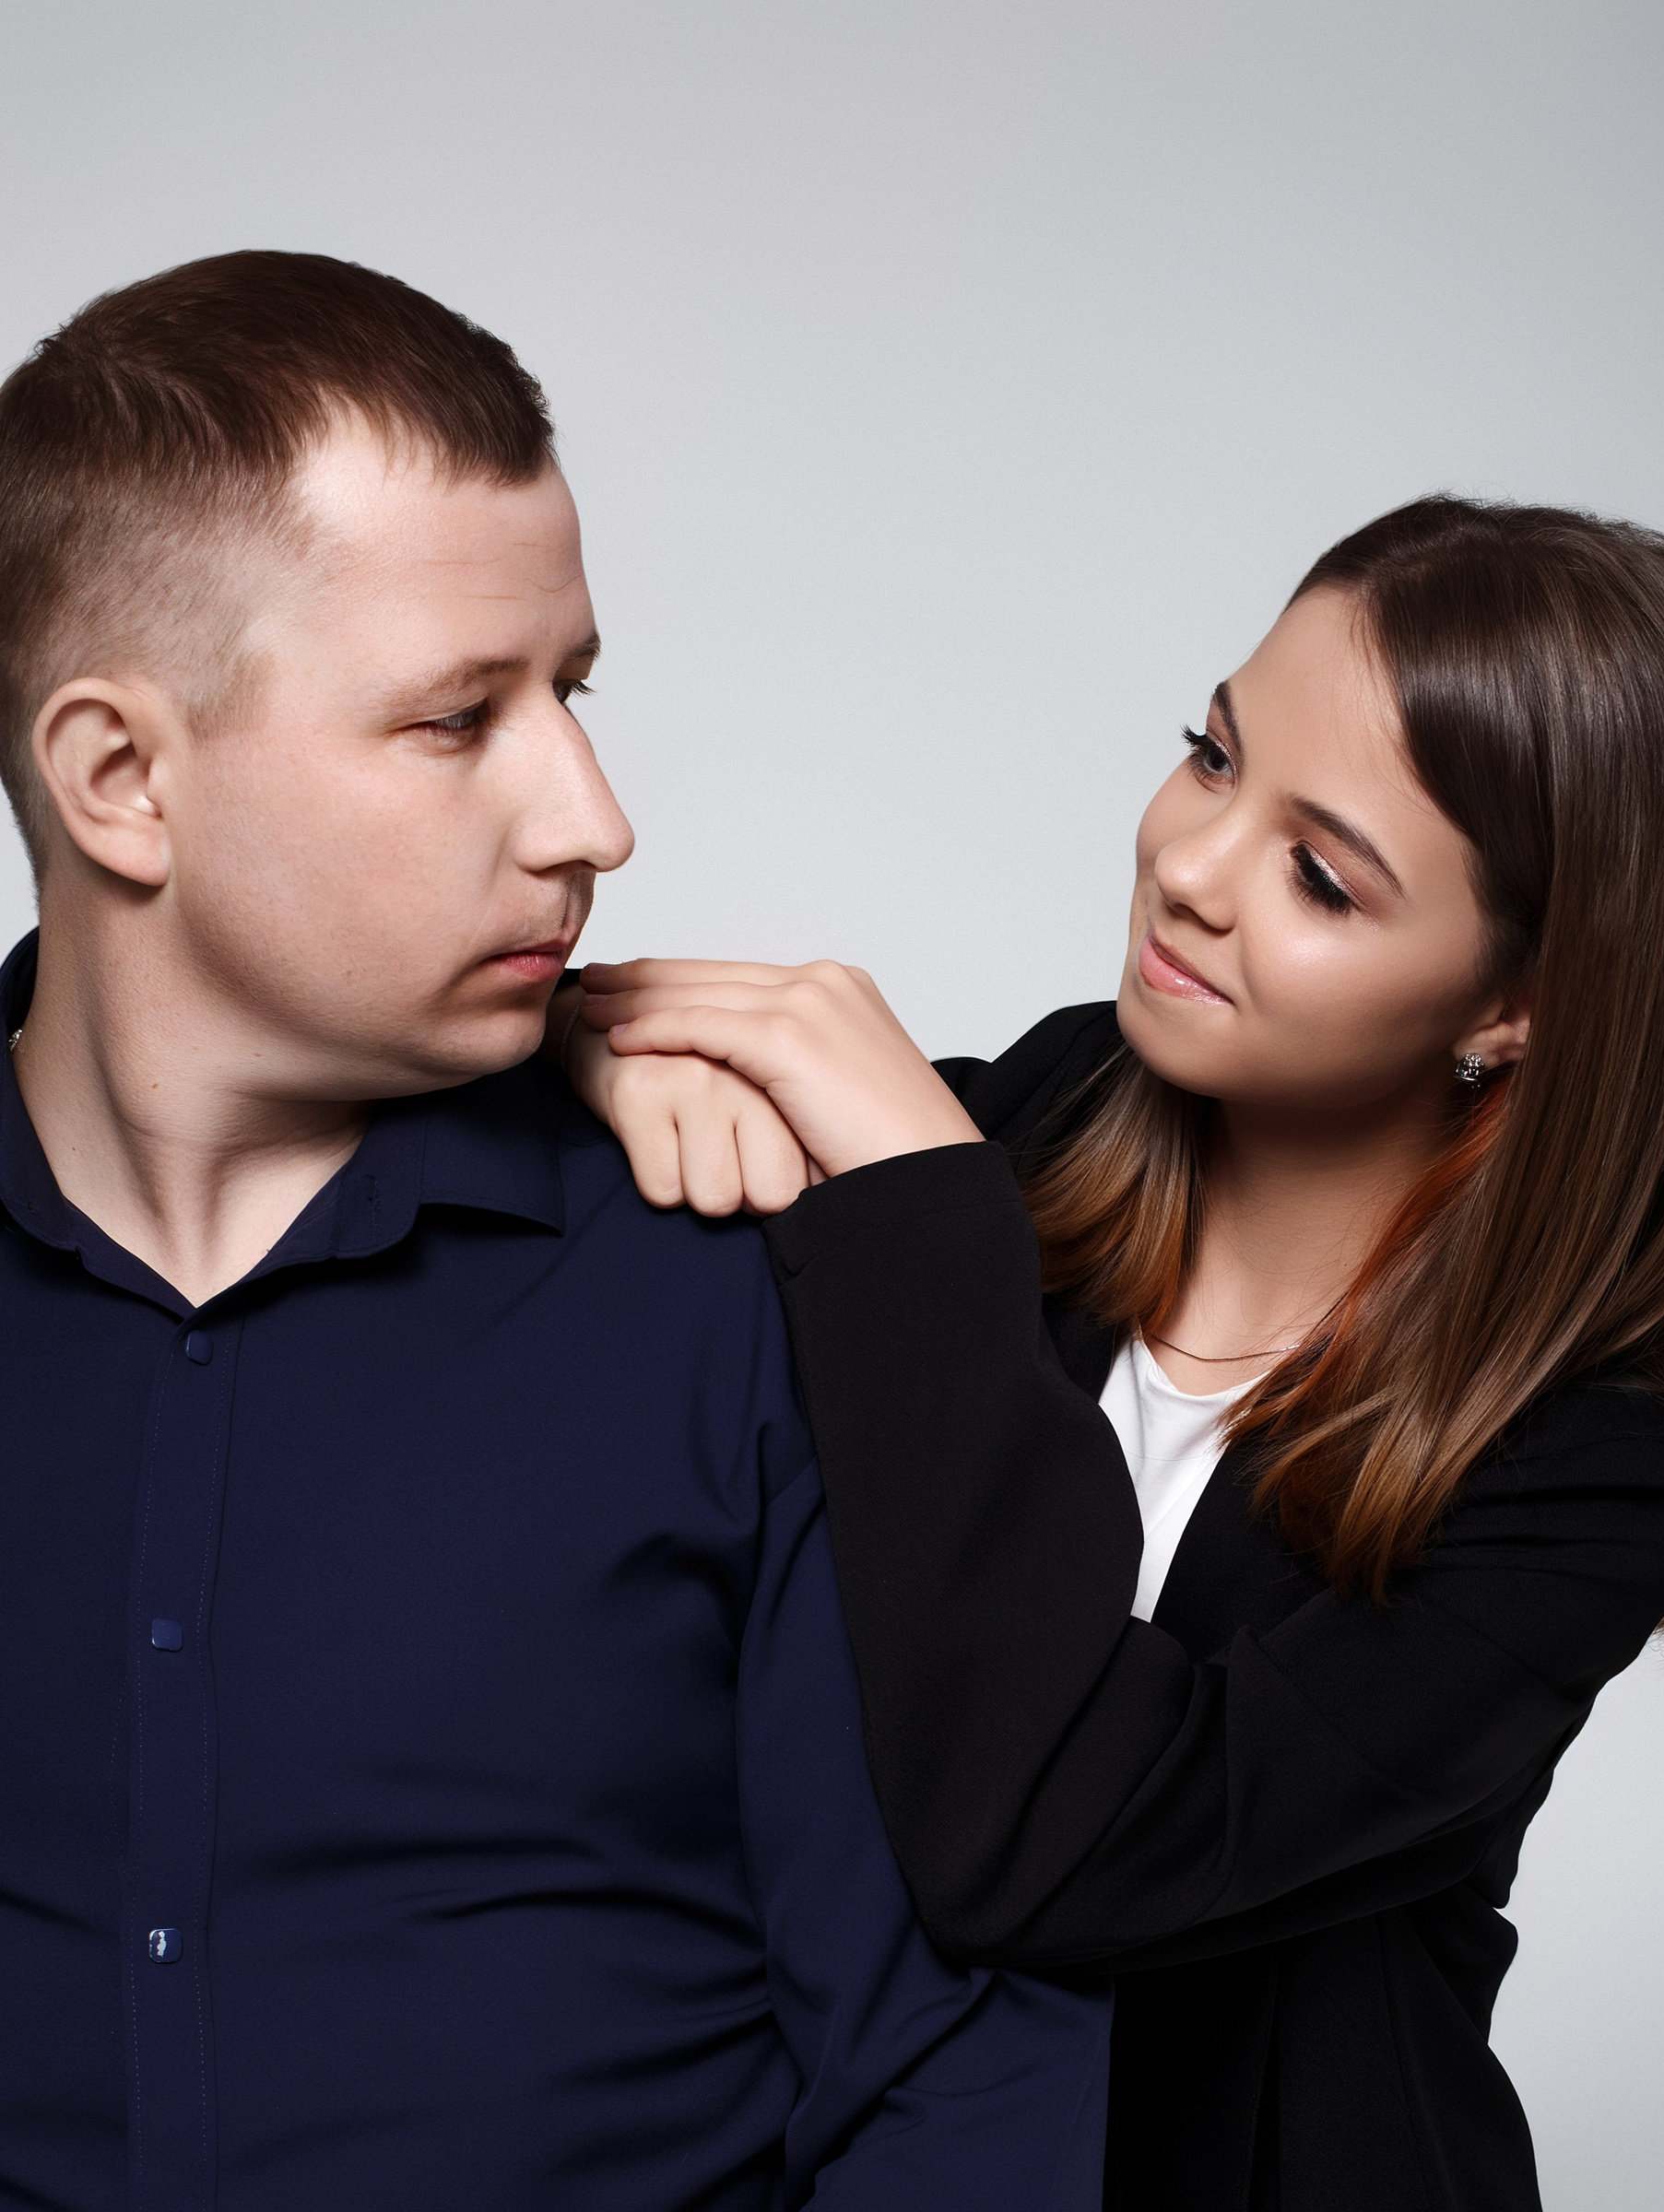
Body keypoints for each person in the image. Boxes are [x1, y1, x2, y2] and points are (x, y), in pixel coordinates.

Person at [0, 252, 1113, 2212]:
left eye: (571, 691)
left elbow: (962, 2075)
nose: (593, 819)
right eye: (458, 719)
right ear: (120, 780)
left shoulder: (751, 1272)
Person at [555, 496, 1664, 2211]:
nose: (1188, 869)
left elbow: (1055, 1851)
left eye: (1320, 875)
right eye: (1212, 756)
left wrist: (916, 1194)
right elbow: (618, 1091)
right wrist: (609, 1059)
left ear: (1519, 1009)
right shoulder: (1053, 1108)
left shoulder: (1595, 1473)